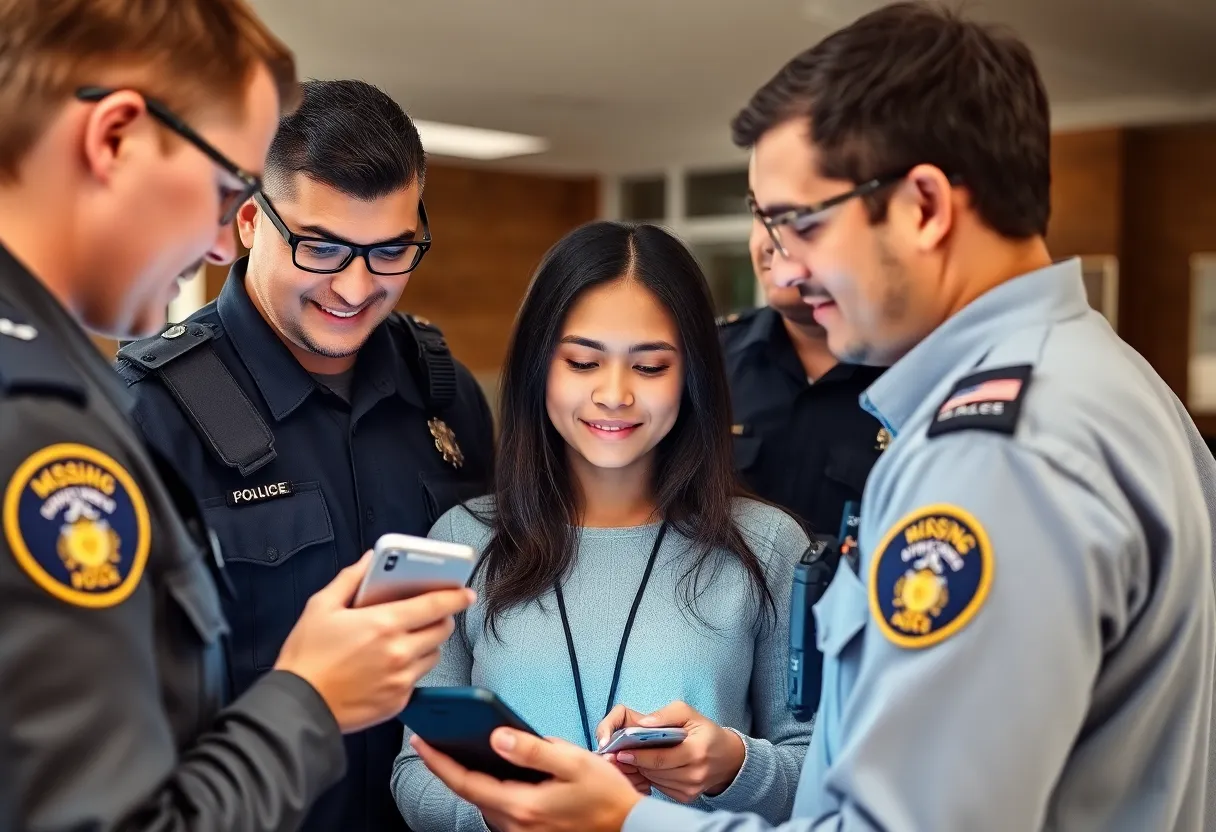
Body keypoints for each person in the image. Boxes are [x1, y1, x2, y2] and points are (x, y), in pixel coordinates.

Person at [406, 4, 1216, 831]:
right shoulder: (1120, 390)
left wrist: (622, 821)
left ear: (924, 207)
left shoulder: (993, 456)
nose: (783, 268)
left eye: (800, 223)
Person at [0, 2, 473, 830]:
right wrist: (313, 700)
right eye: (225, 189)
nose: (221, 244)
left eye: (389, 253)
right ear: (113, 139)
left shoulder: (443, 388)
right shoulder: (58, 415)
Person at [115, 78, 495, 832]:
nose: (356, 288)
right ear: (251, 219)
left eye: (390, 251)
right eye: (322, 248)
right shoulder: (149, 413)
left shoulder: (443, 397)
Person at [392, 220, 813, 830]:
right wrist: (505, 813)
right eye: (584, 361)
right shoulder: (463, 542)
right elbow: (415, 773)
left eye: (649, 368)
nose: (613, 394)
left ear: (691, 377)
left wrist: (731, 766)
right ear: (541, 367)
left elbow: (819, 771)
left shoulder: (768, 546)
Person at [720, 150, 886, 536]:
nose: (768, 242)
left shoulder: (913, 369)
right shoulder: (708, 359)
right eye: (760, 217)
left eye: (798, 220)